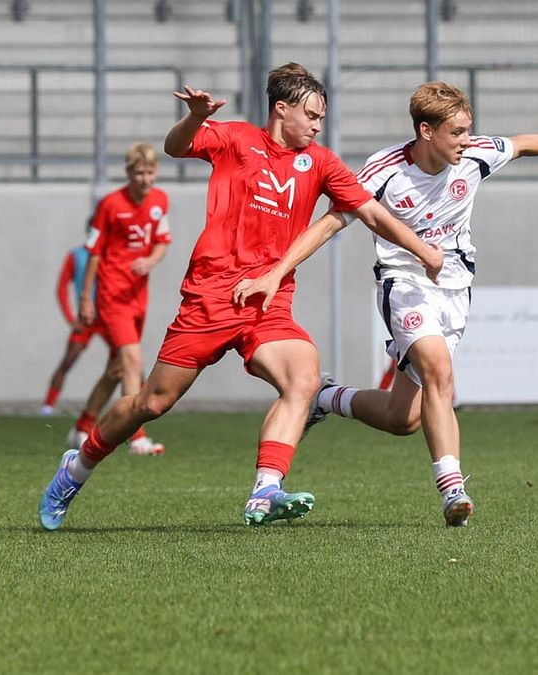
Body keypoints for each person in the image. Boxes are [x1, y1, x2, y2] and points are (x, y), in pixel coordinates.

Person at [38, 63, 444, 531]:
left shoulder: (322, 163)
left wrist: (423, 252)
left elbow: (370, 212)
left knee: (304, 379)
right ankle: (77, 467)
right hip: (211, 297)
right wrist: (194, 117)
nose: (317, 125)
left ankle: (265, 490)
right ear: (281, 109)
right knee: (152, 402)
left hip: (268, 302)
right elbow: (177, 146)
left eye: (321, 117)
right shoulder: (236, 140)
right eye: (311, 114)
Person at [295, 81, 538, 527]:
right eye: (456, 132)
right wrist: (279, 267)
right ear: (426, 131)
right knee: (439, 370)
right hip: (404, 282)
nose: (466, 140)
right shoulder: (383, 170)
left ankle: (326, 397)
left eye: (467, 130)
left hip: (455, 289)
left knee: (405, 419)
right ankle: (452, 488)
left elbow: (518, 145)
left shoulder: (473, 155)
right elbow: (333, 221)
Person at [67, 142, 172, 456]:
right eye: (139, 172)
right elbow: (94, 253)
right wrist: (87, 298)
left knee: (117, 369)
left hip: (138, 296)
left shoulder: (159, 201)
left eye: (150, 172)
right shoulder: (110, 205)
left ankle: (82, 427)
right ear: (128, 173)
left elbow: (163, 241)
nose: (144, 179)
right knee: (132, 362)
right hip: (112, 294)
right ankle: (136, 436)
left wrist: (151, 261)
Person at [40, 216, 109, 417]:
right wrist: (71, 318)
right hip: (86, 318)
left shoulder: (112, 253)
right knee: (68, 361)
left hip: (110, 317)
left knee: (128, 361)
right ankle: (47, 407)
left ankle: (139, 407)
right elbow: (61, 288)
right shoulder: (77, 256)